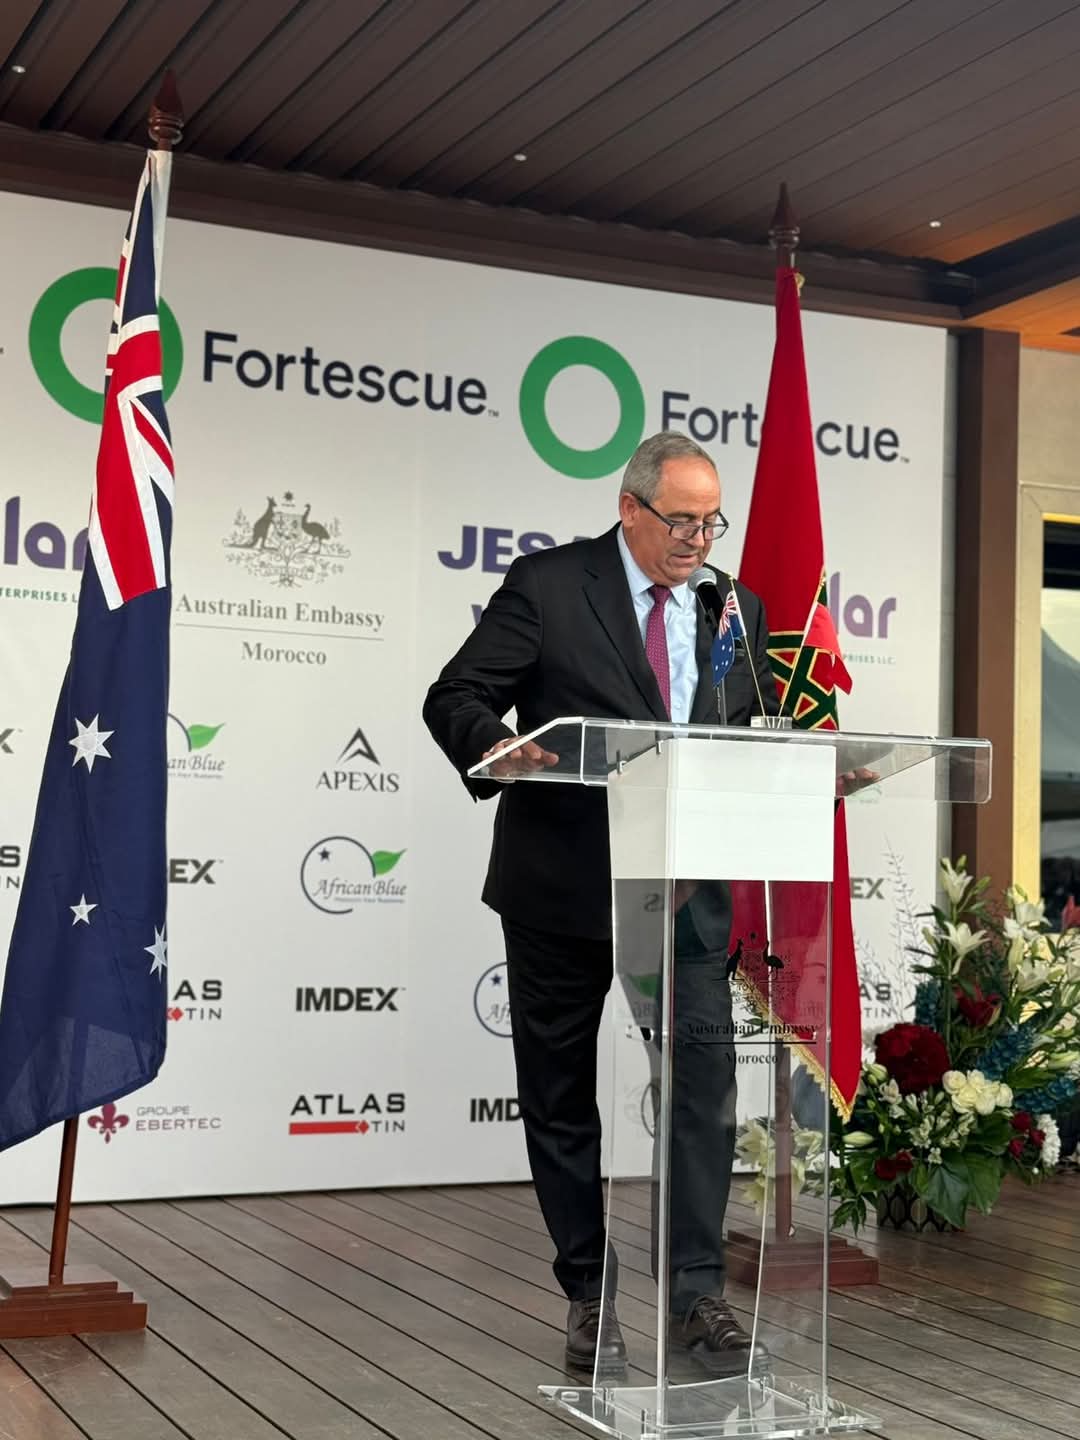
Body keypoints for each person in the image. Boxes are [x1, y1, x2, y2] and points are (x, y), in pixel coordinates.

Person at [423, 431, 779, 1373]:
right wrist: (495, 745)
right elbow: (455, 694)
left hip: (686, 893)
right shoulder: (550, 586)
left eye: (712, 521)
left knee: (702, 1094)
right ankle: (588, 1291)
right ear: (629, 508)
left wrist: (804, 772)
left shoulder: (736, 608)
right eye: (681, 520)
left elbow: (745, 734)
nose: (699, 539)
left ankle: (698, 1295)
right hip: (562, 887)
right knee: (560, 1097)